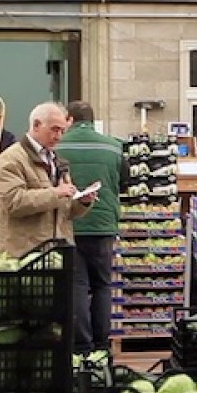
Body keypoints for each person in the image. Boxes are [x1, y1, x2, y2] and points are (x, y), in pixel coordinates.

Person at [56, 100, 127, 354]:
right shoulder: (114, 146)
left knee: (77, 285)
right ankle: (101, 345)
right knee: (102, 285)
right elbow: (124, 183)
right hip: (103, 225)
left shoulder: (57, 146)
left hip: (70, 225)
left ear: (69, 120)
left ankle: (82, 346)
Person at [0, 101, 97, 258]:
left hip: (56, 255)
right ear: (36, 125)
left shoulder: (56, 160)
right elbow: (13, 202)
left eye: (62, 131)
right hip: (23, 257)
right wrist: (56, 193)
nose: (59, 136)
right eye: (54, 129)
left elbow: (64, 211)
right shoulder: (11, 160)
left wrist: (82, 201)